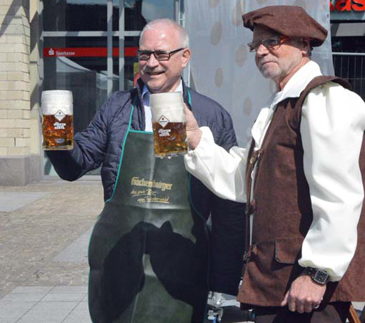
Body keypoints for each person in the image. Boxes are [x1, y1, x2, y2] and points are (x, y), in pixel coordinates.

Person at [46, 19, 245, 323]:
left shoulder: (211, 115)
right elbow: (78, 163)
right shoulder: (117, 108)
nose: (151, 63)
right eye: (143, 54)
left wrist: (223, 283)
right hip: (120, 261)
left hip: (183, 267)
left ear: (185, 56)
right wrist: (58, 145)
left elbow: (228, 205)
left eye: (161, 54)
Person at [184, 5, 365, 323]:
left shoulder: (324, 99)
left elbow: (340, 194)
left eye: (273, 40)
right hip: (278, 287)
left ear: (304, 44)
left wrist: (317, 272)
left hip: (310, 295)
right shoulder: (280, 105)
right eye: (256, 44)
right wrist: (197, 139)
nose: (261, 50)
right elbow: (246, 182)